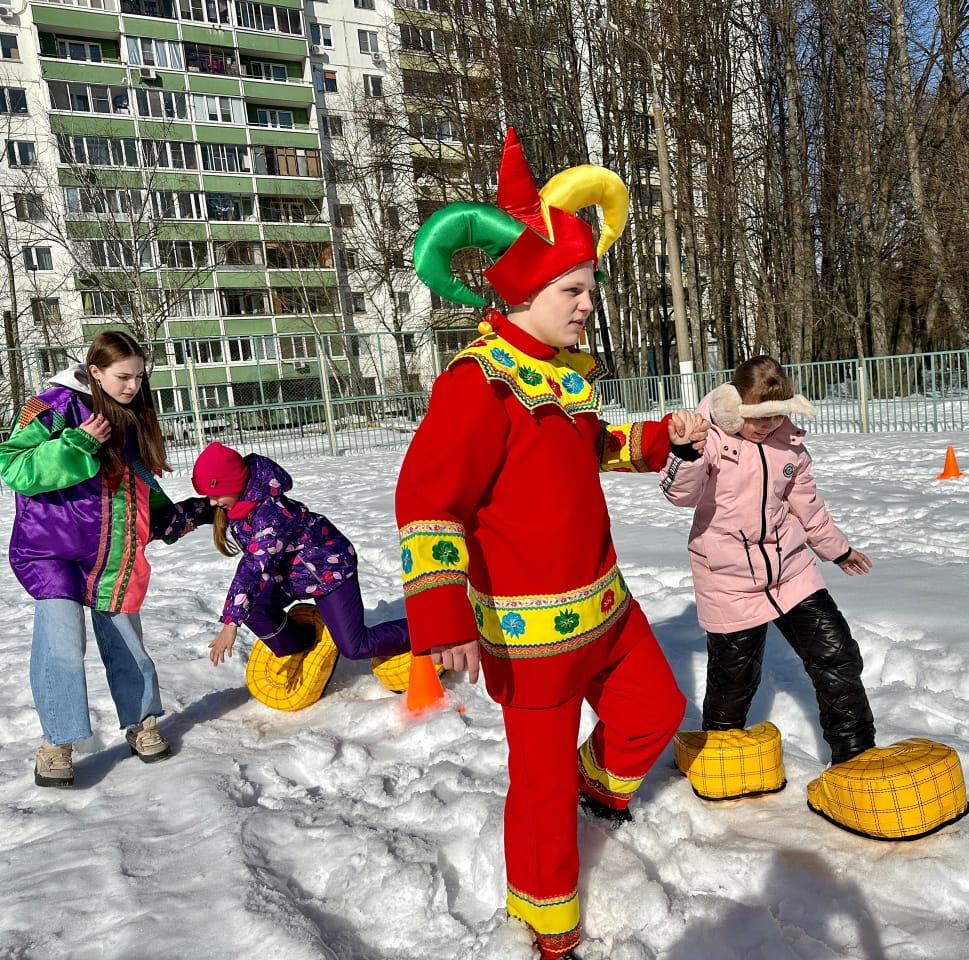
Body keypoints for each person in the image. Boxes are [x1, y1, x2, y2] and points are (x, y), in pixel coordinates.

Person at [395, 128, 701, 960]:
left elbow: (591, 446)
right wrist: (442, 615)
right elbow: (427, 502)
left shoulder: (560, 378)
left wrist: (660, 437)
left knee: (655, 712)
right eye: (573, 287)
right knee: (535, 794)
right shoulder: (478, 384)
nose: (586, 303)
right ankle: (547, 928)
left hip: (606, 605)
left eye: (589, 286)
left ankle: (593, 793)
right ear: (525, 292)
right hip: (531, 638)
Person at [0, 330, 211, 787]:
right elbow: (13, 467)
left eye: (138, 376)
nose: (132, 386)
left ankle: (141, 722)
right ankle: (57, 743)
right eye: (122, 376)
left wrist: (172, 519)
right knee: (60, 643)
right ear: (93, 371)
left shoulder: (133, 415)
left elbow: (135, 482)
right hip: (50, 550)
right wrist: (75, 444)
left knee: (125, 639)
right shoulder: (53, 405)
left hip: (112, 552)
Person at [659, 356, 877, 768]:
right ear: (733, 404)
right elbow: (679, 496)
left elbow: (808, 507)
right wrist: (686, 454)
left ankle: (856, 758)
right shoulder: (710, 439)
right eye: (758, 417)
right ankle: (718, 758)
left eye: (776, 416)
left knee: (837, 654)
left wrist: (837, 550)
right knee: (734, 679)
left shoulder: (788, 443)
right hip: (728, 578)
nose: (767, 426)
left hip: (791, 569)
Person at [192, 442, 411, 667]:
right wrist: (158, 526)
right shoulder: (239, 502)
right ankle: (303, 642)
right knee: (254, 609)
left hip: (328, 572)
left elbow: (253, 567)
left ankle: (429, 632)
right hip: (292, 576)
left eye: (216, 495)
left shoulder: (271, 515)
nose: (212, 502)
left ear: (235, 483)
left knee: (355, 647)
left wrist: (230, 623)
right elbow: (193, 511)